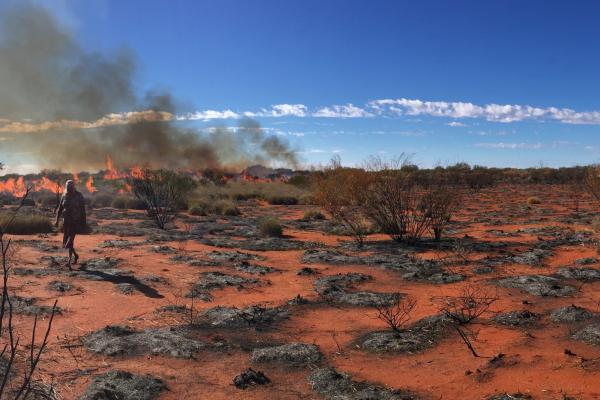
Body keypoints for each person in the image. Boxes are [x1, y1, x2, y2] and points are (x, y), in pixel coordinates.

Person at [55, 180, 86, 268]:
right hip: (66, 222)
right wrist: (56, 221)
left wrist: (83, 223)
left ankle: (69, 261)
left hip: (75, 222)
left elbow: (83, 210)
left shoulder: (79, 195)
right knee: (66, 243)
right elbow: (60, 209)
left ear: (73, 187)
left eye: (71, 186)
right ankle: (75, 255)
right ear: (66, 187)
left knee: (69, 242)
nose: (69, 188)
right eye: (68, 186)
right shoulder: (64, 195)